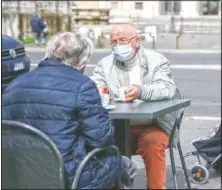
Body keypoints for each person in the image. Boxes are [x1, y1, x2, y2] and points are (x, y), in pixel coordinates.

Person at [2, 32, 137, 189]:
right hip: (67, 175)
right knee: (125, 164)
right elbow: (101, 139)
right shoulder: (82, 86)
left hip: (18, 173)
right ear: (81, 63)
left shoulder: (14, 85)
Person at [91, 24, 177, 189]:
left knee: (153, 142)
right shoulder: (104, 64)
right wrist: (100, 91)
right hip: (117, 125)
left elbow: (167, 88)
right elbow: (95, 86)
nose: (117, 46)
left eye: (122, 40)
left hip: (153, 124)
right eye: (113, 42)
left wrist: (140, 91)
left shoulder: (156, 60)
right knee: (94, 140)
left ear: (136, 41)